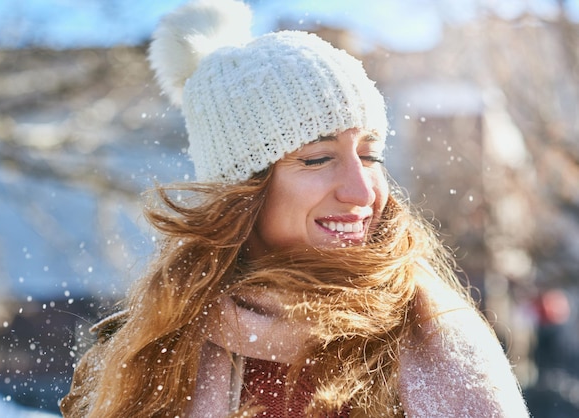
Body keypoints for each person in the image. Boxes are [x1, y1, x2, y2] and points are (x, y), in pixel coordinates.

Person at [60, 0, 531, 416]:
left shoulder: (433, 337)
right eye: (318, 158)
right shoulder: (151, 353)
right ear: (244, 190)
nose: (362, 192)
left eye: (369, 155)